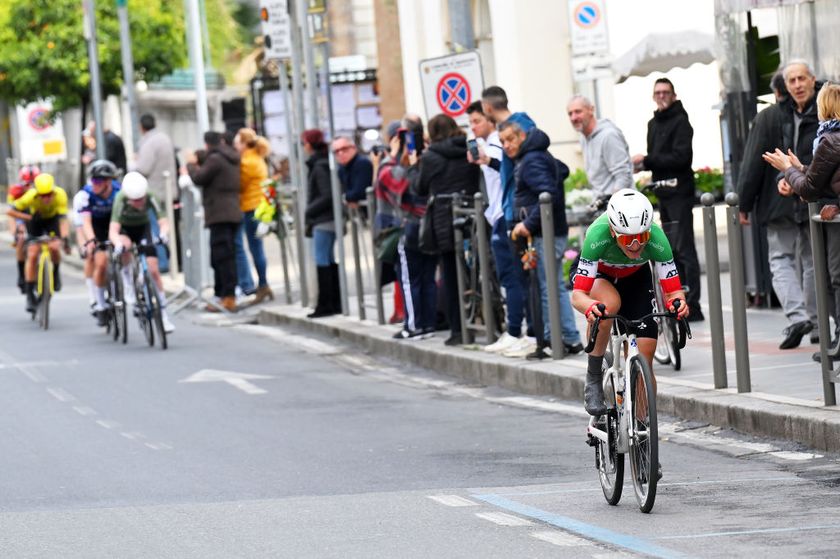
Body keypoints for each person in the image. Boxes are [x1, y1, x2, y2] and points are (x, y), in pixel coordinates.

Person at [571, 189, 688, 415]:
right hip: (599, 276)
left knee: (645, 351)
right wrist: (590, 307)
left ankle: (641, 428)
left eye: (642, 237)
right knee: (610, 304)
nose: (635, 245)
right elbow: (578, 296)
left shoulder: (658, 238)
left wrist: (679, 304)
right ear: (614, 232)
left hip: (635, 277)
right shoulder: (597, 234)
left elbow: (674, 293)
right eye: (627, 238)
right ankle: (593, 377)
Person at [738, 60, 822, 349]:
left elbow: (751, 164)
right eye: (792, 81)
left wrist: (744, 203)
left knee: (783, 259)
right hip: (797, 194)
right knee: (810, 262)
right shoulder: (793, 114)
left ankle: (801, 317)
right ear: (784, 87)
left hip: (787, 199)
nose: (797, 85)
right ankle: (816, 321)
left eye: (801, 78)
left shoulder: (773, 116)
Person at [763, 81, 840, 353]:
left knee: (835, 278)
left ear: (825, 107)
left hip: (835, 221)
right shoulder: (830, 138)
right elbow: (825, 176)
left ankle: (839, 338)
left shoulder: (830, 139)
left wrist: (786, 169)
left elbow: (810, 189)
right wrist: (800, 167)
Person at [499, 120, 583, 359]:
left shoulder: (532, 159)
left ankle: (551, 340)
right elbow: (561, 171)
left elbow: (548, 194)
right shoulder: (536, 154)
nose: (506, 145)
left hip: (545, 232)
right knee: (554, 286)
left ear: (522, 136)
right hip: (549, 230)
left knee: (549, 288)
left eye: (510, 139)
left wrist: (528, 223)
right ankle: (569, 337)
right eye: (503, 141)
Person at [631, 78, 704, 321]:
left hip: (680, 193)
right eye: (658, 92)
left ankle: (693, 305)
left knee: (685, 249)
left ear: (673, 95)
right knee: (670, 250)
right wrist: (644, 166)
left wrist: (647, 160)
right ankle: (678, 302)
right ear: (653, 96)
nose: (661, 96)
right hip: (663, 194)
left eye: (665, 92)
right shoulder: (653, 123)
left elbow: (681, 158)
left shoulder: (681, 121)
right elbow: (659, 159)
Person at [466, 101, 530, 354]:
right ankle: (515, 330)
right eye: (470, 123)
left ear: (491, 118)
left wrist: (487, 160)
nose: (473, 127)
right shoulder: (489, 144)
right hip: (497, 214)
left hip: (504, 215)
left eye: (477, 121)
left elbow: (504, 169)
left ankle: (516, 331)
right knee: (510, 277)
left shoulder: (496, 143)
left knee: (512, 277)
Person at [414, 114, 481, 346]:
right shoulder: (469, 148)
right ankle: (483, 320)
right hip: (472, 215)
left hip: (444, 220)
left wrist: (416, 163)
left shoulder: (430, 156)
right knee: (475, 271)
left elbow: (419, 188)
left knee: (451, 277)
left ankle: (458, 329)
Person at [108, 172, 175, 333]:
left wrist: (164, 234)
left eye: (141, 199)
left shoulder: (150, 196)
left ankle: (164, 316)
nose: (139, 203)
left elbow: (164, 222)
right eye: (135, 200)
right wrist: (117, 243)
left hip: (143, 229)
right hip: (125, 229)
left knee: (154, 271)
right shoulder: (120, 198)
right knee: (125, 246)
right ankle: (128, 282)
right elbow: (113, 230)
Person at [186, 131, 243, 313]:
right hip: (231, 210)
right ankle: (223, 295)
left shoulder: (216, 160)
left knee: (222, 257)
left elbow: (199, 178)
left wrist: (190, 164)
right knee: (224, 255)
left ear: (207, 144)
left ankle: (227, 296)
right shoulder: (229, 156)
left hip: (220, 213)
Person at [6, 173, 71, 313]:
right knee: (33, 252)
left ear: (53, 192)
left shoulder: (60, 195)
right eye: (42, 196)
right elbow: (10, 212)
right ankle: (29, 294)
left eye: (49, 195)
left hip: (52, 221)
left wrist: (64, 238)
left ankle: (55, 272)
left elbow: (63, 220)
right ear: (37, 194)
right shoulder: (30, 195)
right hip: (35, 220)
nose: (46, 198)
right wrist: (27, 217)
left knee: (54, 247)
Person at [76, 160, 121, 326]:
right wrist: (91, 241)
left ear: (108, 182)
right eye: (92, 180)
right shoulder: (85, 195)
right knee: (98, 262)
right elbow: (84, 223)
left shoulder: (119, 191)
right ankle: (99, 303)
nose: (93, 184)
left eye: (98, 181)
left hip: (113, 223)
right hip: (93, 226)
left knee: (126, 251)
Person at [131, 113, 178, 272]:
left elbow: (143, 168)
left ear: (141, 127)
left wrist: (134, 166)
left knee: (156, 228)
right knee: (169, 226)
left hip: (153, 192)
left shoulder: (149, 142)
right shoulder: (164, 138)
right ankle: (174, 262)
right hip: (169, 189)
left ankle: (163, 263)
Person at [302, 129, 342, 318]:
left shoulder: (319, 166)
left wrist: (309, 210)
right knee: (327, 259)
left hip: (323, 220)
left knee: (322, 260)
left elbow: (326, 195)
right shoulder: (324, 163)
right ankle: (334, 302)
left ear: (309, 145)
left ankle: (326, 304)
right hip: (328, 219)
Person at [567, 95, 634, 200]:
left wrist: (612, 204)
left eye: (578, 112)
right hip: (602, 206)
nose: (573, 118)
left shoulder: (608, 135)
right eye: (570, 113)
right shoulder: (584, 138)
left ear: (591, 110)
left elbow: (623, 176)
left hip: (619, 207)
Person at [233, 128, 273, 303]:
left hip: (251, 208)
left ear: (243, 143)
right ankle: (263, 284)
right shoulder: (256, 158)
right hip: (258, 207)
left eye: (237, 143)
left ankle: (263, 284)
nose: (235, 146)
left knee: (255, 248)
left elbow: (239, 186)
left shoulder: (247, 162)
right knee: (257, 247)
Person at [8, 165, 40, 292]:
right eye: (27, 184)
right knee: (21, 238)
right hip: (21, 213)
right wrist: (15, 232)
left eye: (33, 184)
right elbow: (11, 214)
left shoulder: (43, 191)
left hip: (35, 215)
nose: (30, 187)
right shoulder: (15, 191)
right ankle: (21, 274)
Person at [333, 135, 374, 211]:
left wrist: (346, 197)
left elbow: (360, 192)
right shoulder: (341, 169)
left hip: (371, 212)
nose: (340, 153)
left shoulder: (362, 163)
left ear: (353, 148)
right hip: (360, 213)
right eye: (336, 151)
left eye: (344, 149)